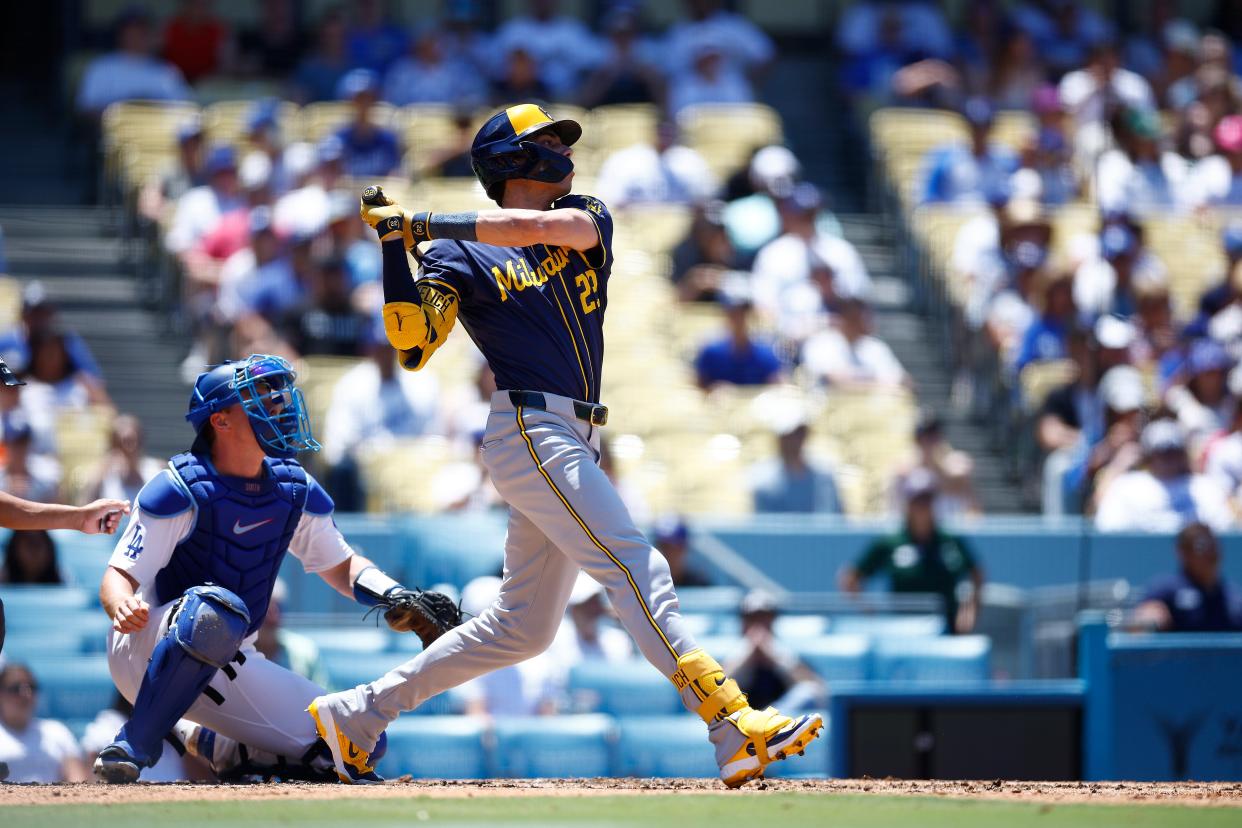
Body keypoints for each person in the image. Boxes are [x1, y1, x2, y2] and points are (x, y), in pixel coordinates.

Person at [320, 103, 823, 788]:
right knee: (633, 565)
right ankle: (730, 723)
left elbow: (540, 228)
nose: (563, 148)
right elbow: (414, 343)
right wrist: (392, 251)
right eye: (547, 140)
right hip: (529, 426)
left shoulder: (583, 214)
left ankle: (357, 714)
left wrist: (417, 223)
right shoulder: (455, 253)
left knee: (522, 629)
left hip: (571, 433)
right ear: (511, 160)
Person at [92, 354, 453, 784]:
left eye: (277, 398)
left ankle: (220, 745)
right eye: (258, 399)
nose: (278, 408)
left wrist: (394, 594)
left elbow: (341, 564)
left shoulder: (291, 486)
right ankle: (135, 742)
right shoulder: (181, 486)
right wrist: (122, 606)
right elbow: (118, 577)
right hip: (145, 646)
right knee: (212, 611)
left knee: (356, 741)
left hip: (229, 658)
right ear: (220, 420)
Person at [839, 470, 984, 635]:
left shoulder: (951, 540)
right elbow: (850, 578)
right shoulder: (890, 542)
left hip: (948, 633)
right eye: (917, 501)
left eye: (927, 500)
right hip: (904, 633)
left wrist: (968, 612)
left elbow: (977, 575)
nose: (923, 508)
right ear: (908, 504)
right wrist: (868, 610)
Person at [1094, 419, 1234, 533]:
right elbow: (1109, 530)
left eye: (1174, 451)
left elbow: (1225, 528)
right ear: (1148, 456)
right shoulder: (1126, 487)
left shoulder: (1204, 488)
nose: (1168, 458)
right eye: (1161, 452)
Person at [75, 9, 191, 117]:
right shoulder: (101, 68)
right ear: (120, 35)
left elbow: (185, 111)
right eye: (130, 31)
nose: (135, 36)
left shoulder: (167, 72)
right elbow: (86, 110)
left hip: (158, 136)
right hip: (114, 135)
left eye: (142, 31)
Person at [724, 591, 824, 712]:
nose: (758, 624)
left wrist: (776, 657)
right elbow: (718, 690)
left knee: (808, 691)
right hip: (739, 720)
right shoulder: (735, 654)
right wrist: (747, 654)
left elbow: (818, 692)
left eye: (764, 618)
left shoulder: (785, 652)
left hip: (782, 720)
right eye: (752, 618)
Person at [1132, 522, 1242, 632]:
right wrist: (1150, 619)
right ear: (1183, 552)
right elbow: (1144, 619)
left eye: (1213, 545)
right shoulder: (1167, 589)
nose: (1210, 554)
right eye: (1201, 546)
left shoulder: (1232, 594)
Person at [919, 98, 1018, 206]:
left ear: (992, 127)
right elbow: (928, 196)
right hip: (951, 218)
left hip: (991, 218)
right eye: (975, 126)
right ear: (967, 126)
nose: (980, 132)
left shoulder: (1005, 157)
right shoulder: (944, 155)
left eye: (985, 126)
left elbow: (1011, 194)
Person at [596, 121, 717, 209]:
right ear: (651, 131)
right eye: (662, 131)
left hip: (681, 231)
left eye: (669, 131)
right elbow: (610, 202)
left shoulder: (691, 160)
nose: (665, 136)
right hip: (636, 229)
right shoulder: (624, 160)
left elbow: (706, 201)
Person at [0, 663, 89, 782]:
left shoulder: (56, 731)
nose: (26, 694)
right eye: (16, 688)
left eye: (31, 687)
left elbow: (77, 777)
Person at [693, 280, 784, 390]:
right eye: (734, 313)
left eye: (743, 312)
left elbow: (777, 388)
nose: (739, 318)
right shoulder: (711, 353)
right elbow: (698, 388)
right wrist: (713, 391)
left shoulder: (766, 354)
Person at [802, 298, 909, 390]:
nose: (860, 321)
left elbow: (902, 381)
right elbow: (834, 380)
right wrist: (877, 384)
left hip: (873, 409)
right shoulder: (821, 343)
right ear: (843, 317)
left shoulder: (875, 346)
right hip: (829, 409)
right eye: (854, 316)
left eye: (863, 316)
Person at [749, 412, 843, 515]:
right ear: (779, 439)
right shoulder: (762, 478)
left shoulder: (824, 476)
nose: (794, 441)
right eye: (788, 436)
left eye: (799, 435)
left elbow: (836, 518)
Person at [82, 414, 165, 506]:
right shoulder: (102, 476)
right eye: (119, 443)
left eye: (131, 441)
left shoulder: (157, 471)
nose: (128, 449)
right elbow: (86, 508)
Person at [332, 69, 401, 179]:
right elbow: (329, 177)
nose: (363, 104)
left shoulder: (387, 140)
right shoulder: (337, 139)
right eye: (357, 99)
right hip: (344, 195)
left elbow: (396, 176)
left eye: (368, 99)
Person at [651, 516, 711, 588]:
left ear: (685, 548)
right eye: (665, 546)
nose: (669, 553)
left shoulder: (700, 584)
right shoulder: (646, 583)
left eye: (674, 547)